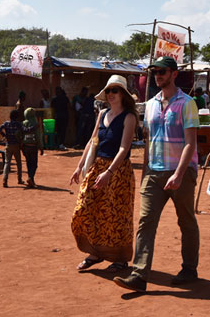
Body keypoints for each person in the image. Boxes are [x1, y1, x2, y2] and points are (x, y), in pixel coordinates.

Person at [114, 56, 199, 293]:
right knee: (146, 222)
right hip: (154, 172)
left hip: (180, 172)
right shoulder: (150, 104)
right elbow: (149, 141)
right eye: (155, 72)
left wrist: (180, 174)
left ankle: (190, 269)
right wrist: (145, 172)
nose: (158, 75)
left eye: (162, 71)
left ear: (174, 74)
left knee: (186, 221)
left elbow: (190, 143)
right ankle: (139, 275)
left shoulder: (187, 103)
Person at [70, 75, 137, 273]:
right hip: (97, 167)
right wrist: (79, 166)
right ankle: (95, 252)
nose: (110, 95)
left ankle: (120, 258)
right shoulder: (102, 114)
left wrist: (109, 172)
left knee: (116, 215)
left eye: (114, 90)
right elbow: (92, 142)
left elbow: (124, 149)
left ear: (123, 94)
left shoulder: (130, 117)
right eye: (108, 91)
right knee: (85, 208)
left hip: (118, 172)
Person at [0, 109, 24, 187]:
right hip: (16, 145)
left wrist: (4, 135)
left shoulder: (6, 124)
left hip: (8, 145)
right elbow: (23, 131)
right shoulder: (18, 124)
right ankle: (19, 179)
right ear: (17, 117)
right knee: (18, 163)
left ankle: (5, 179)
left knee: (7, 163)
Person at [21, 108, 44, 188]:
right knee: (34, 164)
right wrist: (41, 147)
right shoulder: (36, 124)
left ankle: (31, 179)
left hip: (25, 147)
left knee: (28, 163)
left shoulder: (23, 123)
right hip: (33, 147)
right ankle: (30, 178)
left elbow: (20, 134)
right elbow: (38, 136)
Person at [51, 87, 70, 151]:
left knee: (57, 131)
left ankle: (57, 144)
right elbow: (69, 106)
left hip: (58, 117)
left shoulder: (55, 99)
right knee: (62, 131)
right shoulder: (65, 98)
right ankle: (61, 144)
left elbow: (51, 108)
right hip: (64, 116)